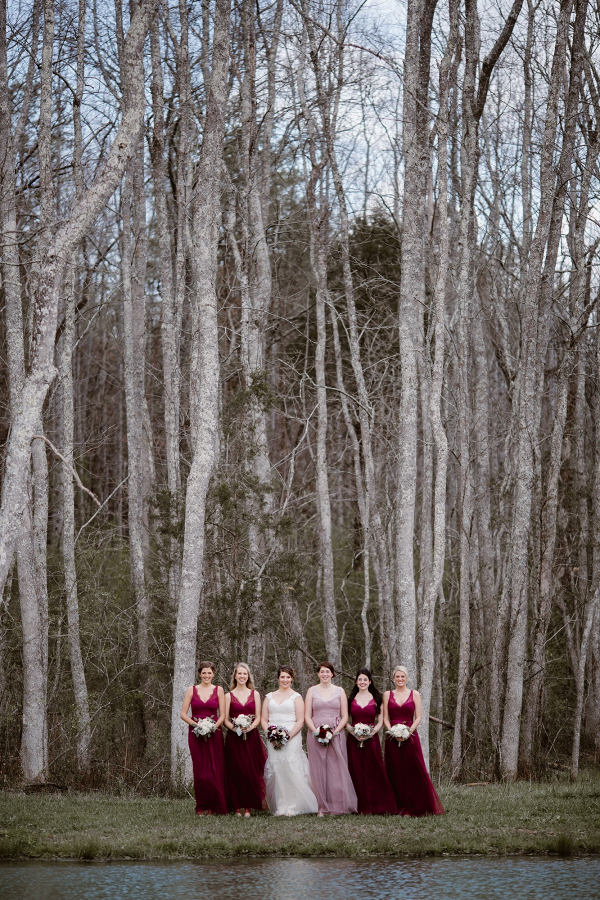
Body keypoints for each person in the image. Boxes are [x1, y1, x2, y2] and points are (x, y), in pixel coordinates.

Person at [383, 665, 444, 817]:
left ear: (407, 678)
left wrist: (408, 732)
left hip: (410, 735)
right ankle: (397, 806)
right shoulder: (387, 694)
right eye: (397, 676)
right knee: (396, 771)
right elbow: (385, 718)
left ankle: (416, 805)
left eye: (403, 676)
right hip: (392, 737)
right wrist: (393, 732)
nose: (400, 679)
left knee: (412, 770)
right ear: (393, 678)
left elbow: (418, 717)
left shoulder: (414, 694)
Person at [260, 665, 318, 816]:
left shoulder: (296, 697)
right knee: (278, 770)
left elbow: (300, 721)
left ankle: (294, 806)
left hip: (291, 736)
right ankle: (281, 805)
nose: (285, 680)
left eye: (288, 677)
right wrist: (270, 734)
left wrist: (287, 736)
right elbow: (264, 719)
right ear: (278, 678)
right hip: (273, 738)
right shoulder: (269, 697)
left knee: (292, 768)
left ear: (292, 678)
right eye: (282, 677)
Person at [305, 661, 357, 816]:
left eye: (328, 671)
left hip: (336, 732)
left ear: (332, 674)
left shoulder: (340, 691)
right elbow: (307, 715)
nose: (325, 674)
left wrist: (335, 731)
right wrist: (316, 731)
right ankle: (321, 806)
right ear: (318, 674)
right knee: (319, 768)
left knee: (336, 768)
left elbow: (345, 715)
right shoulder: (311, 691)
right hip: (315, 732)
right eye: (322, 671)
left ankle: (338, 806)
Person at [346, 668, 397, 815]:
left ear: (369, 681)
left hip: (371, 738)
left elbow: (380, 721)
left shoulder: (377, 698)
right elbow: (345, 719)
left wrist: (370, 733)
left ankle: (377, 804)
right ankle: (357, 805)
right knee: (355, 769)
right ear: (356, 681)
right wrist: (353, 732)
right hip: (353, 739)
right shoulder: (350, 698)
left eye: (365, 679)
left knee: (373, 770)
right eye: (360, 679)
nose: (362, 682)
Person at [180, 661, 227, 815]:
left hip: (215, 734)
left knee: (214, 769)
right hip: (196, 734)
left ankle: (214, 805)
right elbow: (183, 714)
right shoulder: (191, 690)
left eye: (209, 673)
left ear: (213, 674)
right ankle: (201, 806)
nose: (207, 675)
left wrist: (213, 727)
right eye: (204, 672)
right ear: (199, 674)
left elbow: (223, 715)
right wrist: (197, 726)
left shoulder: (219, 690)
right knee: (200, 771)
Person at [224, 662, 267, 816]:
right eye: (239, 673)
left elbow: (258, 717)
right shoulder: (228, 696)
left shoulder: (254, 694)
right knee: (235, 771)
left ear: (248, 676)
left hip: (251, 737)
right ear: (235, 676)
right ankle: (236, 806)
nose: (242, 676)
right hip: (233, 739)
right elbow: (225, 719)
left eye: (245, 674)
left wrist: (250, 727)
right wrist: (235, 728)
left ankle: (248, 806)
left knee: (250, 771)